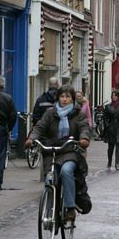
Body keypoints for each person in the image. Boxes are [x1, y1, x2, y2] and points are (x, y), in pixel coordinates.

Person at [25, 85, 90, 222]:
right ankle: (50, 210)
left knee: (66, 172)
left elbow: (84, 127)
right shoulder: (50, 112)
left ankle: (70, 208)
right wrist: (31, 138)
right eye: (62, 96)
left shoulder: (78, 114)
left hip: (70, 150)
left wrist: (84, 139)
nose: (64, 99)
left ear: (72, 99)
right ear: (58, 98)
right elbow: (40, 127)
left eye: (67, 97)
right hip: (52, 151)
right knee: (50, 178)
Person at [103, 91, 119, 170]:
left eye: (115, 95)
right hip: (111, 128)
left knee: (118, 146)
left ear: (118, 97)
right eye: (112, 95)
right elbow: (105, 117)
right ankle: (109, 161)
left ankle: (117, 163)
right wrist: (107, 126)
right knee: (110, 147)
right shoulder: (108, 106)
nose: (113, 97)